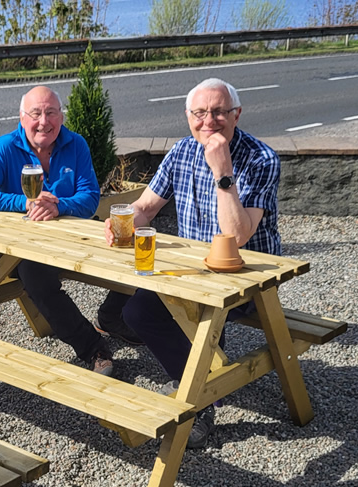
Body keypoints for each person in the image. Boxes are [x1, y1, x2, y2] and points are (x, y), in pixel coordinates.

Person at [103, 77, 281, 448]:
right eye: (199, 113)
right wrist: (124, 221)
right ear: (188, 117)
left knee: (196, 317)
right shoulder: (182, 151)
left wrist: (222, 171)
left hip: (247, 275)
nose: (208, 122)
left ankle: (197, 401)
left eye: (219, 112)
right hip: (193, 269)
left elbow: (238, 236)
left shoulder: (261, 159)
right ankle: (200, 388)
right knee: (135, 312)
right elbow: (147, 206)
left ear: (236, 115)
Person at [0, 85, 132, 376]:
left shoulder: (76, 144)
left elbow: (90, 198)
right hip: (27, 245)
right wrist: (24, 202)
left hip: (72, 236)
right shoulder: (5, 147)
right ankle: (93, 348)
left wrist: (58, 206)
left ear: (61, 117)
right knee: (34, 276)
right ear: (21, 118)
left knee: (130, 248)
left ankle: (113, 316)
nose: (44, 121)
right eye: (36, 114)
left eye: (51, 113)